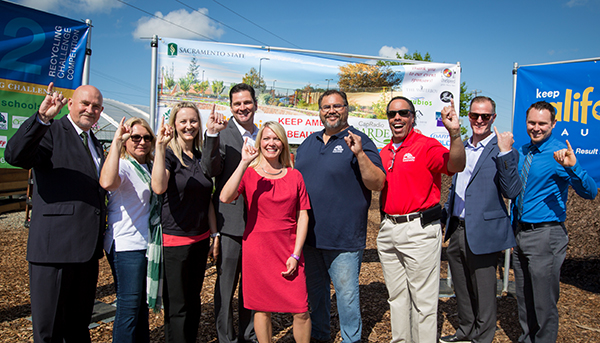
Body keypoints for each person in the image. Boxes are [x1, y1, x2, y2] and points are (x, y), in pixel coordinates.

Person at [5, 82, 106, 342]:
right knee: (49, 330)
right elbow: (15, 155)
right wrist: (41, 119)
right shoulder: (51, 131)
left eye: (96, 106)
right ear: (70, 104)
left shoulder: (94, 142)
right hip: (55, 250)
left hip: (86, 252)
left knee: (77, 326)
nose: (90, 110)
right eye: (85, 103)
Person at [295, 89, 386, 343]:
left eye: (337, 106)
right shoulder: (308, 143)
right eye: (326, 107)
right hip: (310, 238)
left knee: (346, 298)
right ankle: (320, 337)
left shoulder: (360, 141)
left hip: (344, 238)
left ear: (346, 109)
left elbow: (377, 182)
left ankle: (351, 339)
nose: (331, 111)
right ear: (320, 111)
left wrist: (359, 154)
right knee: (316, 296)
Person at [377, 96, 465, 343]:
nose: (397, 118)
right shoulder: (384, 152)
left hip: (419, 229)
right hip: (388, 229)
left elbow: (456, 165)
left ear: (412, 117)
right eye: (392, 114)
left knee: (423, 301)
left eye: (403, 113)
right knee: (397, 298)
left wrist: (455, 134)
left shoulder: (426, 146)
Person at [511, 101, 597, 343]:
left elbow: (590, 192)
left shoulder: (559, 153)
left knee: (544, 303)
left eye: (542, 123)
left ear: (553, 124)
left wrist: (574, 168)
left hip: (546, 236)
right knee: (524, 297)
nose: (536, 128)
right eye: (532, 122)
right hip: (521, 233)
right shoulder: (524, 151)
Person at [219, 121, 312, 343]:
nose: (271, 143)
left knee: (301, 310)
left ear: (283, 143)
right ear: (259, 142)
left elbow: (303, 216)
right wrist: (243, 163)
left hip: (289, 251)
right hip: (258, 252)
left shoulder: (294, 176)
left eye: (276, 138)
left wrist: (296, 254)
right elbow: (225, 197)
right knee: (261, 310)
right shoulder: (250, 174)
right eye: (266, 138)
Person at [440, 97, 521, 343]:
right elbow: (457, 188)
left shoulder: (503, 150)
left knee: (485, 292)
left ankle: (482, 338)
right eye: (475, 115)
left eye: (485, 116)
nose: (479, 121)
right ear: (469, 116)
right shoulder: (461, 147)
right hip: (458, 229)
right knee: (461, 289)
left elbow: (512, 191)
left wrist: (505, 152)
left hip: (485, 232)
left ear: (493, 118)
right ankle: (466, 331)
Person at [151, 102, 224, 343]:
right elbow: (159, 187)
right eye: (183, 121)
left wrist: (214, 235)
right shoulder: (170, 156)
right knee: (178, 306)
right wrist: (160, 148)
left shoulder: (202, 157)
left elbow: (208, 201)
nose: (188, 126)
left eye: (193, 121)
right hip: (175, 241)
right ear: (174, 125)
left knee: (193, 301)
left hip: (201, 239)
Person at [204, 83, 259, 343]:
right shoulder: (223, 135)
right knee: (226, 288)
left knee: (251, 287)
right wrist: (212, 136)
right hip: (231, 223)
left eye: (246, 102)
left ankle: (248, 334)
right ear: (231, 107)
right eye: (237, 104)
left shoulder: (264, 135)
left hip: (259, 224)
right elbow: (211, 169)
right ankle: (226, 338)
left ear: (255, 105)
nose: (242, 108)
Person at [99, 117, 157, 343]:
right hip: (126, 245)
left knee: (141, 306)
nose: (141, 142)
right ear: (126, 140)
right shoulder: (122, 164)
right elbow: (107, 182)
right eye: (135, 137)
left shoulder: (150, 166)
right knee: (129, 307)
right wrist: (115, 143)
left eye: (146, 138)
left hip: (146, 243)